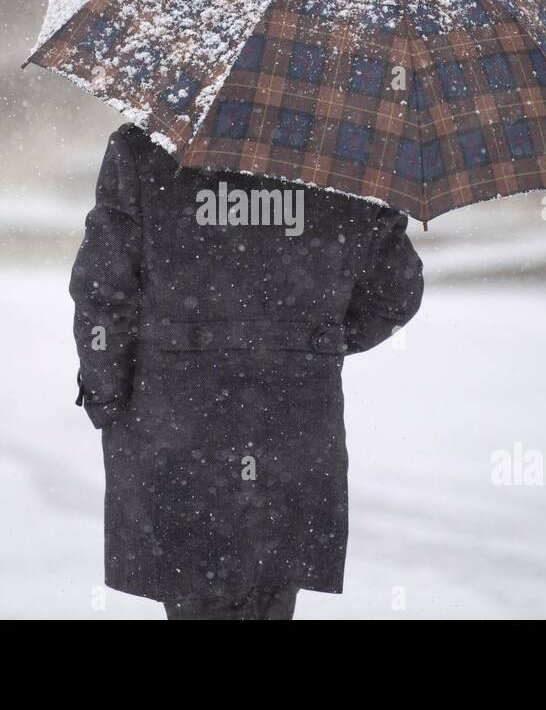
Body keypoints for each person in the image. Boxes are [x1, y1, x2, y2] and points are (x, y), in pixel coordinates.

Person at [69, 123, 423, 620]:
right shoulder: (347, 151)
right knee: (270, 598)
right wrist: (313, 344)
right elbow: (395, 292)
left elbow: (104, 292)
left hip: (173, 426)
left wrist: (108, 396)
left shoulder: (145, 149)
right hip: (294, 427)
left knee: (195, 598)